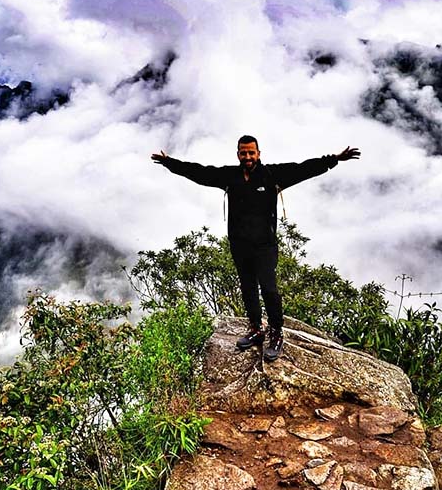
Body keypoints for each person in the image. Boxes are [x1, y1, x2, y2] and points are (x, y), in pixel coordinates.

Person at [152, 135, 360, 361]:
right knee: (248, 287)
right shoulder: (230, 176)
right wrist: (169, 163)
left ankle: (276, 333)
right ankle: (255, 328)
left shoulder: (272, 175)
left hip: (265, 246)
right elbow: (200, 173)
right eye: (244, 153)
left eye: (252, 153)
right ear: (238, 154)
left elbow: (304, 169)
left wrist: (335, 159)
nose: (248, 157)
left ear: (259, 154)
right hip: (239, 245)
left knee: (269, 289)